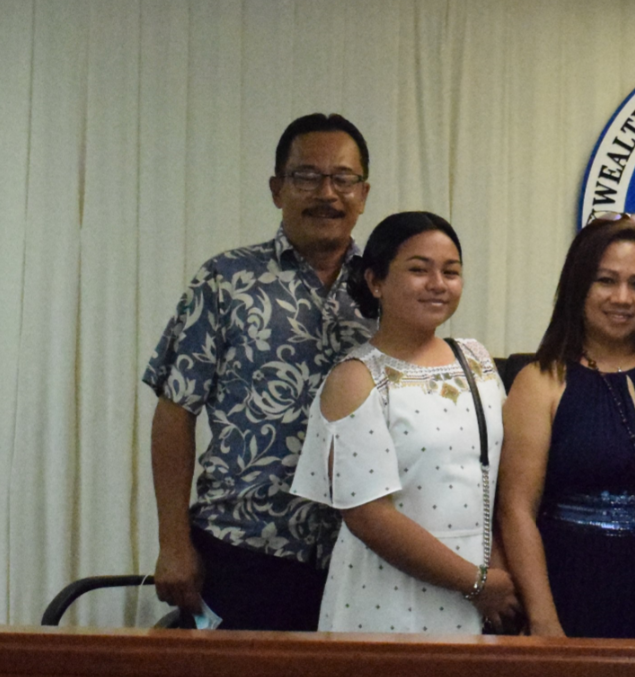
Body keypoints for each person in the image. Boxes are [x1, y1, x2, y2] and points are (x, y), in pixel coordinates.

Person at [143, 113, 375, 630]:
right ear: (277, 189)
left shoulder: (387, 290)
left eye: (343, 178)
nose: (327, 193)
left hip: (360, 557)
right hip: (242, 548)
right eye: (307, 176)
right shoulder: (225, 280)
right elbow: (174, 412)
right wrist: (172, 543)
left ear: (363, 193)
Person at [289, 211, 520, 633]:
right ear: (376, 281)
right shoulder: (355, 379)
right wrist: (476, 583)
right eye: (419, 270)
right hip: (387, 598)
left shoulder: (476, 359)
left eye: (451, 272)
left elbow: (501, 481)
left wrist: (499, 581)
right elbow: (368, 516)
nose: (438, 284)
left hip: (486, 599)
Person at [499, 214, 635, 639]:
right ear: (578, 287)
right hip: (574, 589)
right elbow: (516, 510)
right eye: (606, 280)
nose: (622, 298)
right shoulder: (540, 381)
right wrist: (543, 620)